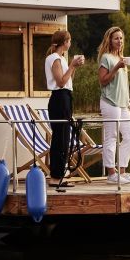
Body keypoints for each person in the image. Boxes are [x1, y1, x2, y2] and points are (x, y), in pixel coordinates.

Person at [45, 30, 84, 188]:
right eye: (69, 41)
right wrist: (72, 65)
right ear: (65, 42)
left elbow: (68, 81)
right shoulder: (54, 58)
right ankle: (55, 177)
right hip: (59, 98)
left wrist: (73, 67)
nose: (70, 43)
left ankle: (59, 175)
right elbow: (60, 82)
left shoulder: (60, 58)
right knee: (60, 138)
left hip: (65, 97)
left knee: (64, 138)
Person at [97, 26, 130, 184]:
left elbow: (123, 84)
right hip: (110, 102)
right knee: (111, 137)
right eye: (116, 38)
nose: (119, 41)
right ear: (110, 41)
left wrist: (128, 101)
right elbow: (103, 80)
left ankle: (122, 170)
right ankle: (111, 173)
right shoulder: (106, 58)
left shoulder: (122, 58)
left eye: (121, 38)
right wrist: (116, 67)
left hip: (122, 104)